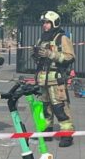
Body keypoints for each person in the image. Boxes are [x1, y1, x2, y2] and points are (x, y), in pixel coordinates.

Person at [32, 11, 76, 147]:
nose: (44, 26)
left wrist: (51, 54)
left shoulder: (62, 38)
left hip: (55, 79)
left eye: (47, 23)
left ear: (54, 23)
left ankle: (66, 135)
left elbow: (69, 57)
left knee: (59, 107)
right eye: (43, 23)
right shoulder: (42, 39)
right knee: (45, 107)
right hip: (43, 79)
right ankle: (46, 132)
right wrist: (36, 55)